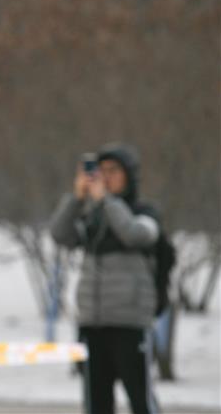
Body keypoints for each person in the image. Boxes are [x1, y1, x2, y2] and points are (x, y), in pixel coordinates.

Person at [50, 143, 161, 414]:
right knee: (95, 404)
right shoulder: (93, 218)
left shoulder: (144, 213)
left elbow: (133, 234)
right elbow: (59, 234)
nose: (105, 177)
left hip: (129, 324)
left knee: (141, 401)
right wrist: (77, 198)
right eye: (101, 171)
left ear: (129, 175)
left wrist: (105, 201)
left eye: (113, 171)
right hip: (92, 324)